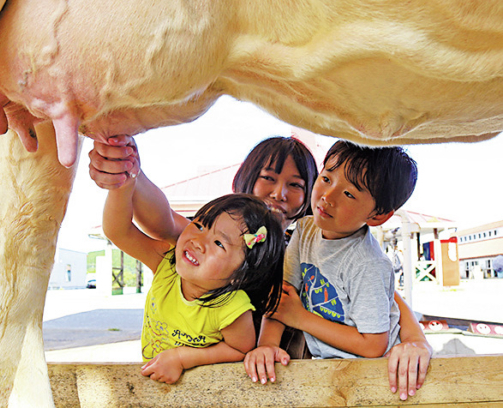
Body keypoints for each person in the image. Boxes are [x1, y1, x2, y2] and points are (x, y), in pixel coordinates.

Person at [89, 135, 432, 400]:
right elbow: (164, 223)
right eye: (268, 178)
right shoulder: (218, 239)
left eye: (296, 185)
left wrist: (416, 341)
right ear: (247, 177)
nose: (279, 193)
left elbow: (385, 297)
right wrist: (130, 169)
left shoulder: (308, 244)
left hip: (280, 382)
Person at [245, 141, 420, 397]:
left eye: (349, 194)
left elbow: (373, 345)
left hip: (379, 373)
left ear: (378, 216)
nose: (328, 196)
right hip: (331, 366)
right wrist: (267, 346)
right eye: (326, 178)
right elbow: (284, 296)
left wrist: (301, 318)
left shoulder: (368, 264)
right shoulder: (306, 231)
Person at [102, 184, 286, 384]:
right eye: (199, 226)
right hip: (154, 383)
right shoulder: (167, 264)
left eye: (218, 243)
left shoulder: (232, 306)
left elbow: (240, 349)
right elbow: (118, 232)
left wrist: (181, 358)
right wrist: (120, 186)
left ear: (242, 274)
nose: (198, 241)